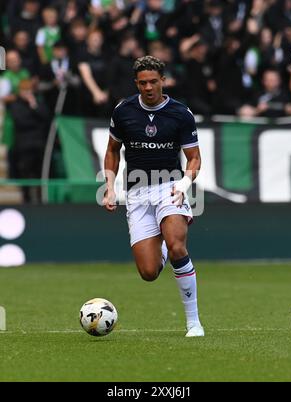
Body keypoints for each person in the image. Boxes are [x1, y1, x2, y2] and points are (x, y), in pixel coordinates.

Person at [103, 55, 204, 337]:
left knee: (178, 247)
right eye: (142, 83)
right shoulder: (123, 111)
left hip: (169, 186)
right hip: (137, 193)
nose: (148, 88)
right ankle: (160, 244)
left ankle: (193, 322)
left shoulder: (180, 113)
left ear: (163, 81)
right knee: (148, 272)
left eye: (153, 82)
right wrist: (110, 186)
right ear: (136, 83)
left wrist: (185, 183)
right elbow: (112, 151)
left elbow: (194, 157)